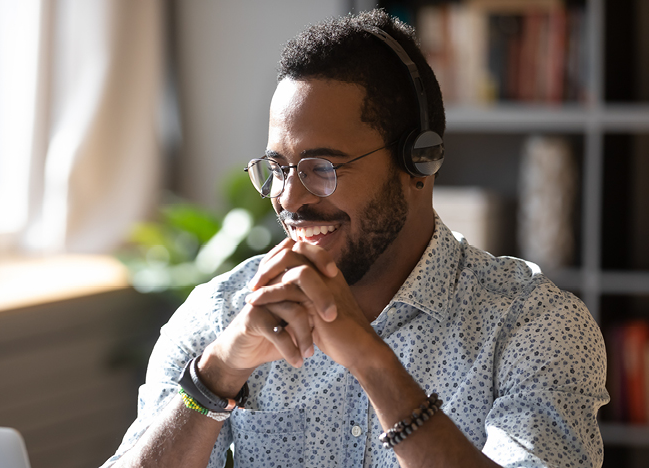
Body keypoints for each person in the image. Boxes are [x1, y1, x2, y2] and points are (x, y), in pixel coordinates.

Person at [102, 9, 609, 468]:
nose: (289, 198)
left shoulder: (535, 327)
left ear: (420, 163)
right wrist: (215, 376)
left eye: (322, 167)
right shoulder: (222, 315)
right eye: (277, 168)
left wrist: (371, 360)